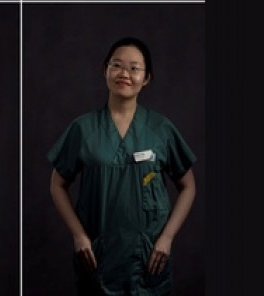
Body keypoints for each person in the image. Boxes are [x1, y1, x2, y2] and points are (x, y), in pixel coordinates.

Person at [48, 36, 196, 295]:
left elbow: (189, 186)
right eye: (116, 65)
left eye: (134, 68)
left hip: (148, 258)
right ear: (104, 70)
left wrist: (167, 237)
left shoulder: (161, 129)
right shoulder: (83, 129)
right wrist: (79, 235)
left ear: (147, 77)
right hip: (99, 257)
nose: (124, 74)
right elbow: (57, 184)